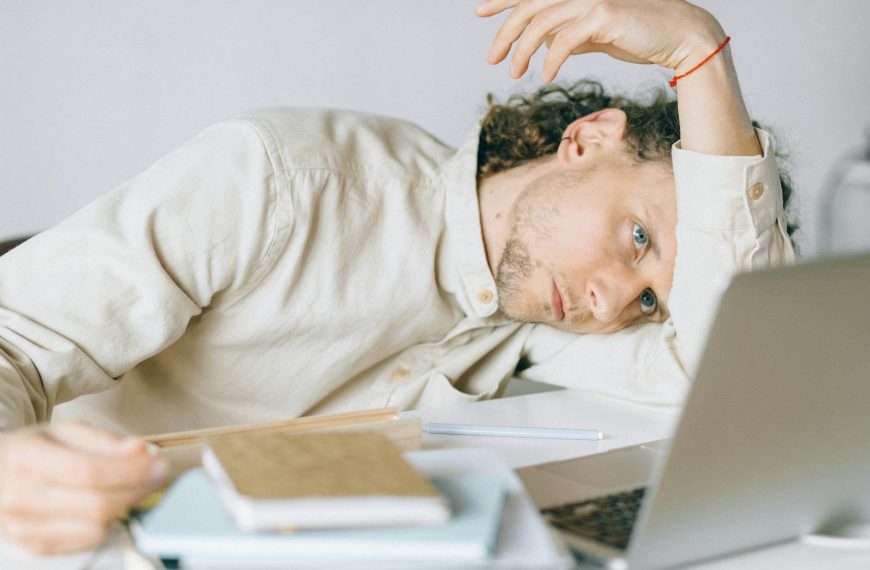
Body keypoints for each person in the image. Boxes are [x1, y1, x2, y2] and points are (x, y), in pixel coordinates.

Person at [0, 0, 794, 555]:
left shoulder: (527, 319)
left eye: (652, 295)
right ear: (587, 140)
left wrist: (701, 58)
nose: (615, 301)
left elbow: (736, 376)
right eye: (637, 236)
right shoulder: (278, 181)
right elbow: (14, 340)